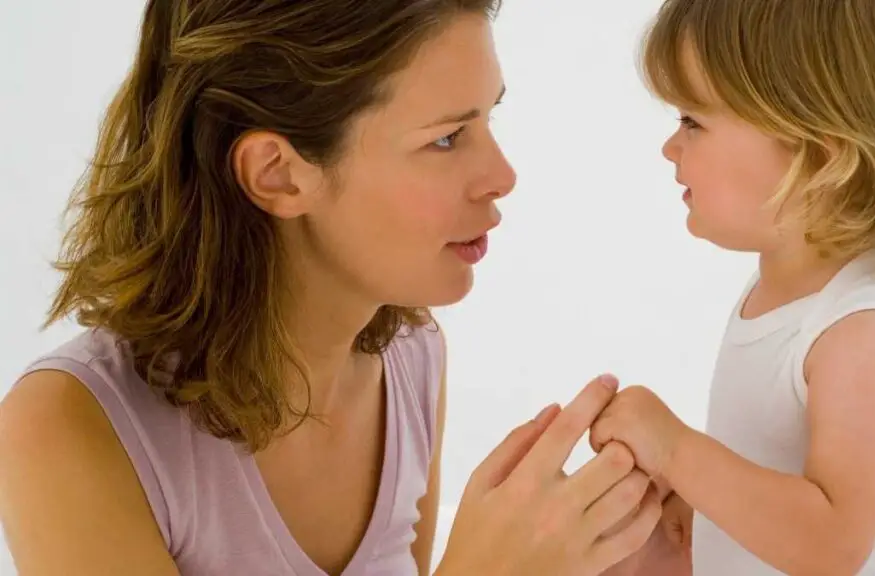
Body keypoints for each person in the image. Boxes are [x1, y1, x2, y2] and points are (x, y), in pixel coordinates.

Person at [0, 1, 663, 575]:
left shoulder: (412, 354)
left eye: (490, 119)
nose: (502, 174)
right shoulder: (69, 427)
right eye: (446, 138)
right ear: (278, 174)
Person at [593, 0, 875, 574]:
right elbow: (777, 484)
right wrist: (696, 506)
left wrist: (677, 450)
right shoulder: (784, 295)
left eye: (693, 123)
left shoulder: (867, 331)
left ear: (821, 157)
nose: (671, 148)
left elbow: (830, 543)